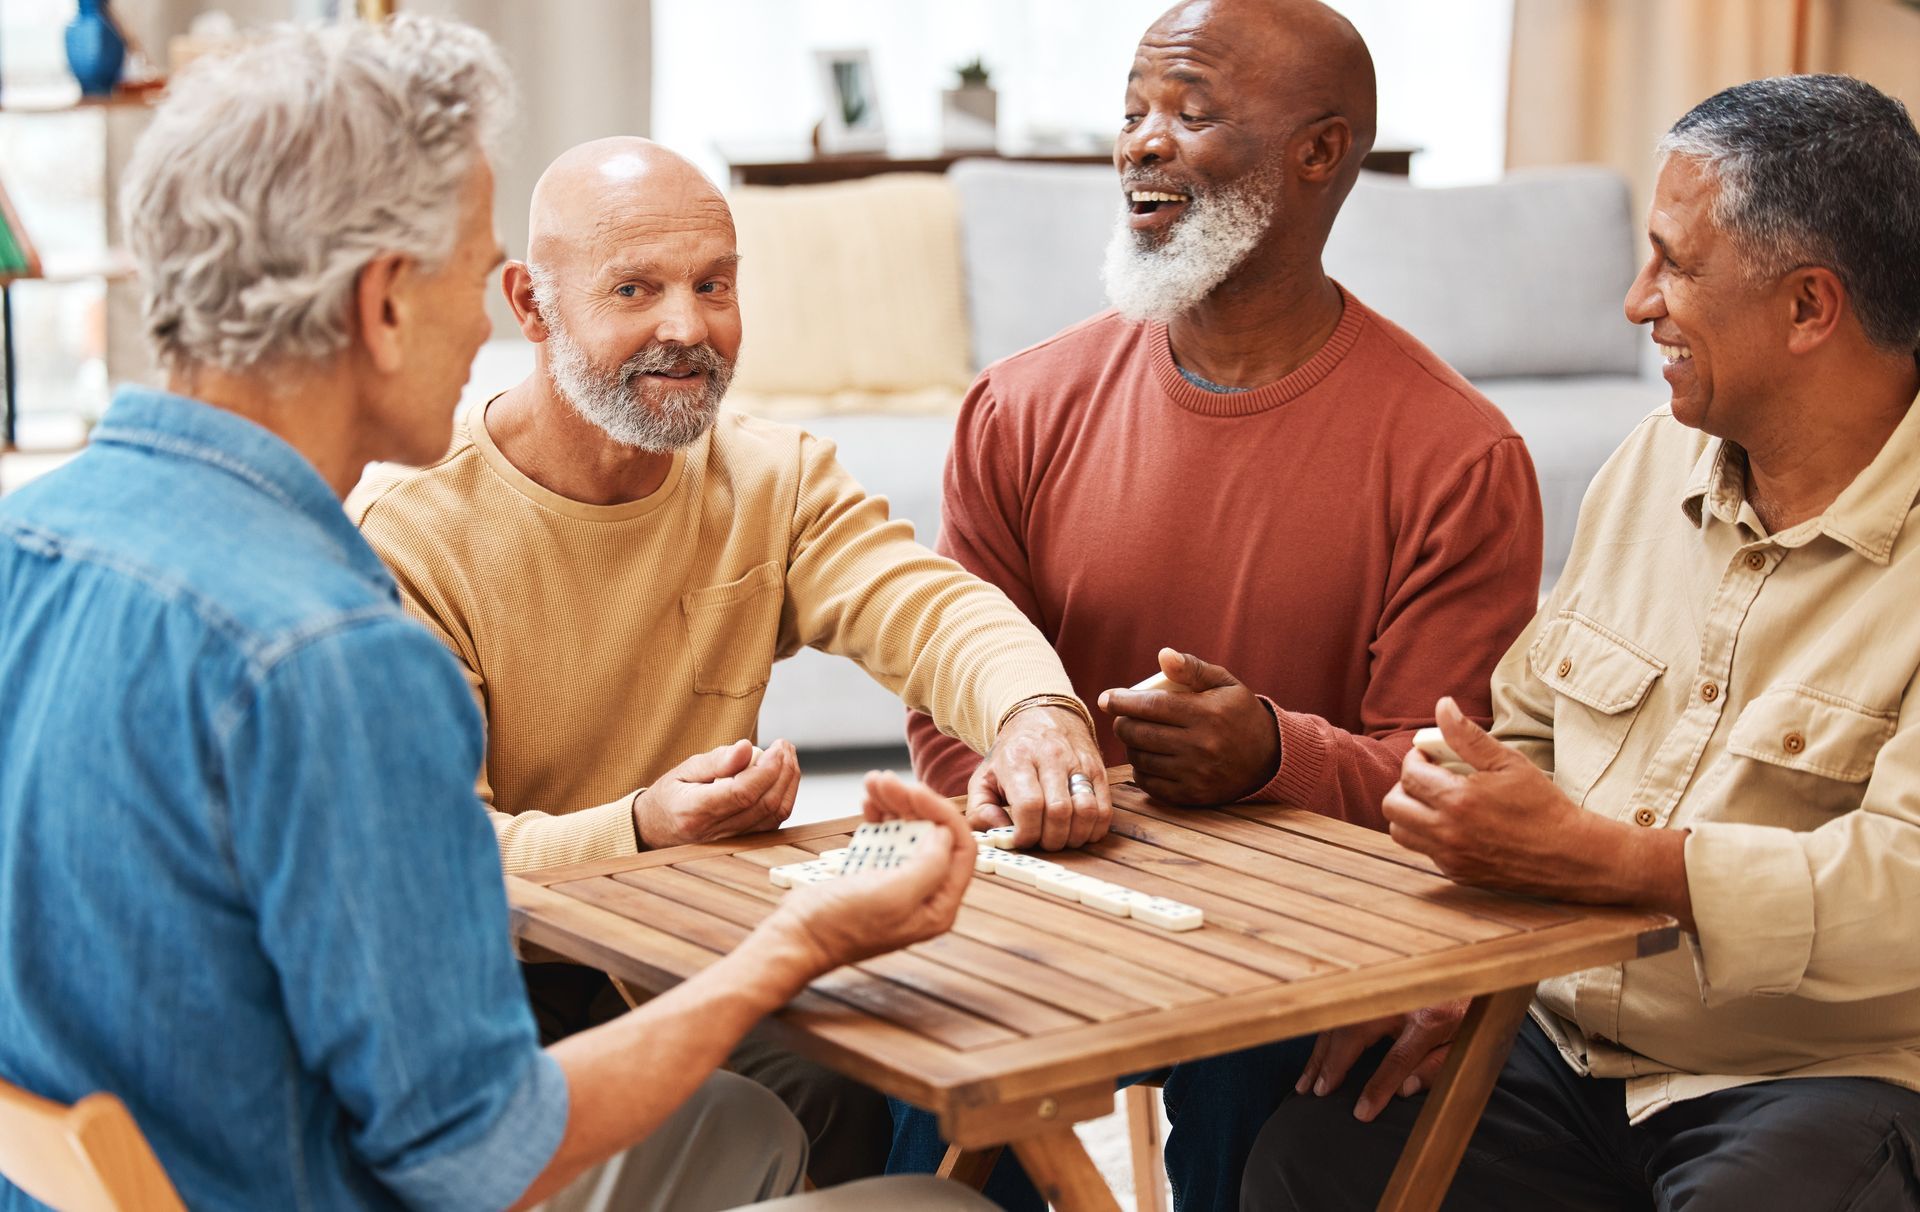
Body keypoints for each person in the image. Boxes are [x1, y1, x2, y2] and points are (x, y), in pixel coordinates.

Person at [0, 19, 993, 1212]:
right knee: (943, 1206)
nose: (487, 327)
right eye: (472, 276)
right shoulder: (337, 651)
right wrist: (803, 941)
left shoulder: (28, 540)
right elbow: (482, 1151)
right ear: (381, 306)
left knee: (762, 1117)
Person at [346, 135, 1111, 1185]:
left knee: (941, 1057)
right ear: (531, 306)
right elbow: (440, 863)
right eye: (635, 288)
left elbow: (926, 606)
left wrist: (1035, 710)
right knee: (800, 1099)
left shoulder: (769, 475)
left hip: (683, 961)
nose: (688, 327)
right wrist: (638, 828)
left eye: (714, 284)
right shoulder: (408, 532)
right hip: (487, 1009)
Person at [893, 1, 1543, 1207]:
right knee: (917, 1025)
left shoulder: (1459, 455)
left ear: (1320, 153)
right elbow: (947, 687)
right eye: (1134, 111)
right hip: (1051, 890)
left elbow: (1445, 781)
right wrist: (993, 772)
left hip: (1292, 944)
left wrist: (1271, 755)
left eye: (1191, 114)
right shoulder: (1018, 406)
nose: (1141, 142)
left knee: (1284, 1069)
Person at [1243, 74, 1920, 1210]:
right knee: (1312, 1164)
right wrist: (1469, 965)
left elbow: (1905, 892)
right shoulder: (1650, 464)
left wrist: (1615, 864)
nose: (1636, 301)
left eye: (1675, 263)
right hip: (1561, 1029)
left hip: (1816, 1071)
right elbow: (1526, 738)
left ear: (1811, 309)